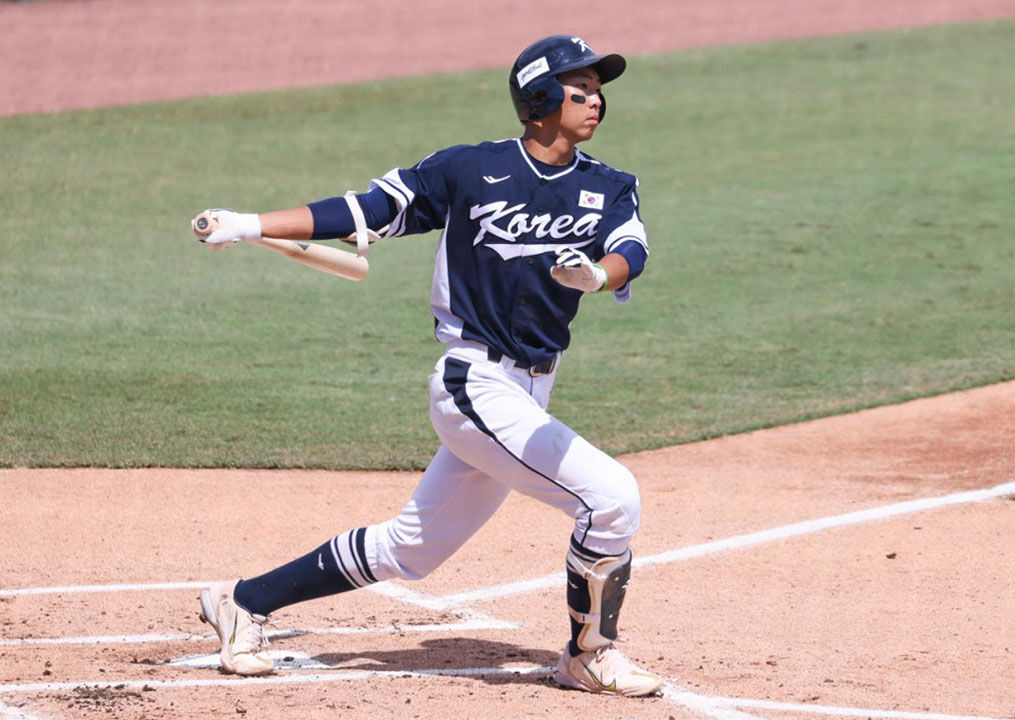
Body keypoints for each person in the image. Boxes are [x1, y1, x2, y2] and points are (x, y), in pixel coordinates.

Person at [189, 34, 662, 698]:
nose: (595, 99)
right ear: (539, 96)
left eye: (598, 89)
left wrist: (597, 275)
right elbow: (367, 211)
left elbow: (630, 250)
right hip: (474, 384)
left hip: (530, 392)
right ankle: (589, 653)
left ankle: (242, 601)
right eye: (579, 87)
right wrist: (248, 223)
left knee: (411, 548)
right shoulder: (469, 169)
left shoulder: (609, 186)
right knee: (611, 498)